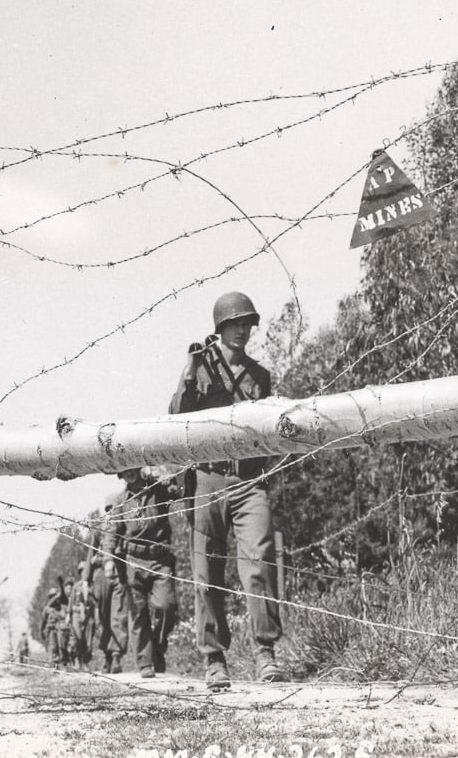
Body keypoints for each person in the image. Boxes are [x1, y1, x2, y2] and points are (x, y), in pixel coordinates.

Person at [169, 292, 286, 687]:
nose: (242, 329)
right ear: (219, 327)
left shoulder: (260, 376)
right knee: (206, 575)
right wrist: (188, 374)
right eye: (234, 323)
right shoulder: (199, 366)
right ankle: (214, 659)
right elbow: (176, 418)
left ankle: (265, 654)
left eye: (247, 323)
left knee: (258, 565)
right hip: (207, 479)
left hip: (249, 481)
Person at [111, 465, 182, 680]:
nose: (129, 473)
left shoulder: (157, 490)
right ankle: (145, 662)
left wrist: (162, 476)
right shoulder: (120, 502)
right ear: (121, 475)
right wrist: (108, 560)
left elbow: (177, 489)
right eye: (124, 470)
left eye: (132, 468)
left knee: (167, 606)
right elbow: (111, 533)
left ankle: (159, 648)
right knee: (138, 614)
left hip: (160, 559)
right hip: (134, 561)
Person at [92, 492, 131, 673]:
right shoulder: (98, 529)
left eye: (114, 508)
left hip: (120, 574)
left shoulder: (125, 527)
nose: (111, 512)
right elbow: (89, 555)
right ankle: (105, 655)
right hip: (101, 575)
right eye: (108, 509)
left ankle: (116, 656)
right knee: (103, 617)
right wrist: (85, 580)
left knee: (119, 616)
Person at [40, 582, 67, 666]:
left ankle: (64, 664)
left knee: (63, 648)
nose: (55, 599)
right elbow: (43, 620)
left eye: (56, 596)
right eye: (53, 596)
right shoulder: (47, 608)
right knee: (53, 648)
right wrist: (41, 631)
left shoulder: (62, 607)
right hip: (51, 630)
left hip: (61, 630)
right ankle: (54, 666)